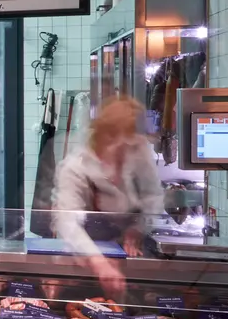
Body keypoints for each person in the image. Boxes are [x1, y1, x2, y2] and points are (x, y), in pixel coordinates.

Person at [51, 95, 163, 293]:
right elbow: (68, 223)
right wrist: (99, 262)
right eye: (127, 143)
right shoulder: (76, 167)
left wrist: (137, 229)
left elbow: (153, 196)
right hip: (85, 257)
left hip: (131, 258)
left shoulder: (137, 151)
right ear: (107, 137)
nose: (136, 148)